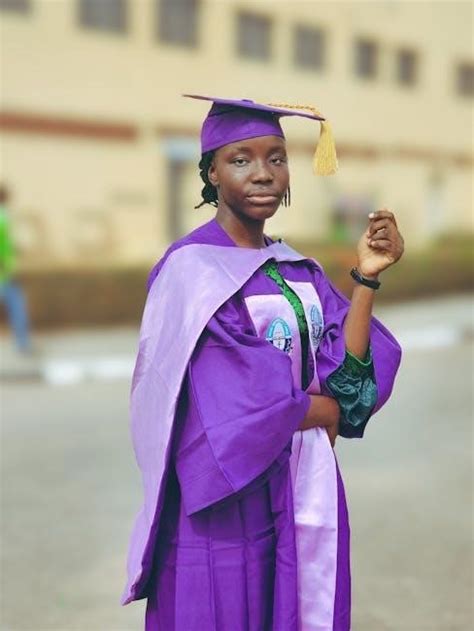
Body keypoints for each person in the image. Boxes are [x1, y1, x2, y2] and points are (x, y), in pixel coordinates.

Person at [122, 95, 404, 631]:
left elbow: (349, 375)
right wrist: (327, 409)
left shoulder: (297, 269)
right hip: (226, 496)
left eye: (276, 158)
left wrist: (366, 277)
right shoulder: (190, 273)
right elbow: (238, 395)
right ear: (211, 171)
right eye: (241, 159)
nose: (263, 174)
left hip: (300, 480)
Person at [0, 184, 32, 354]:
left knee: (16, 306)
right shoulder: (3, 216)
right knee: (18, 307)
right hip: (5, 272)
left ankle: (23, 343)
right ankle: (22, 343)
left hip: (5, 271)